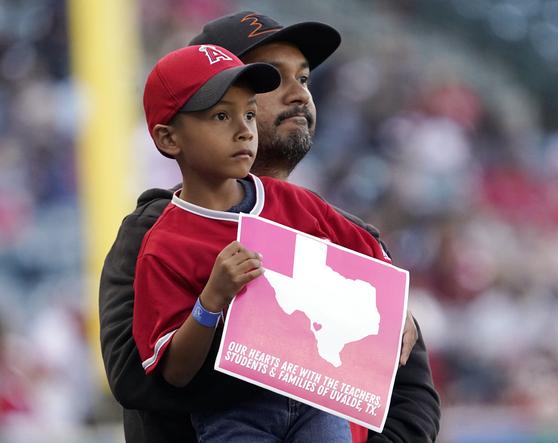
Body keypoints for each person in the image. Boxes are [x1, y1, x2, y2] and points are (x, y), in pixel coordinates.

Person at [100, 11, 440, 443]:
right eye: (273, 79)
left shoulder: (344, 231)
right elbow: (138, 380)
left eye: (304, 78)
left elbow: (411, 394)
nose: (299, 93)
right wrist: (285, 352)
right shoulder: (154, 233)